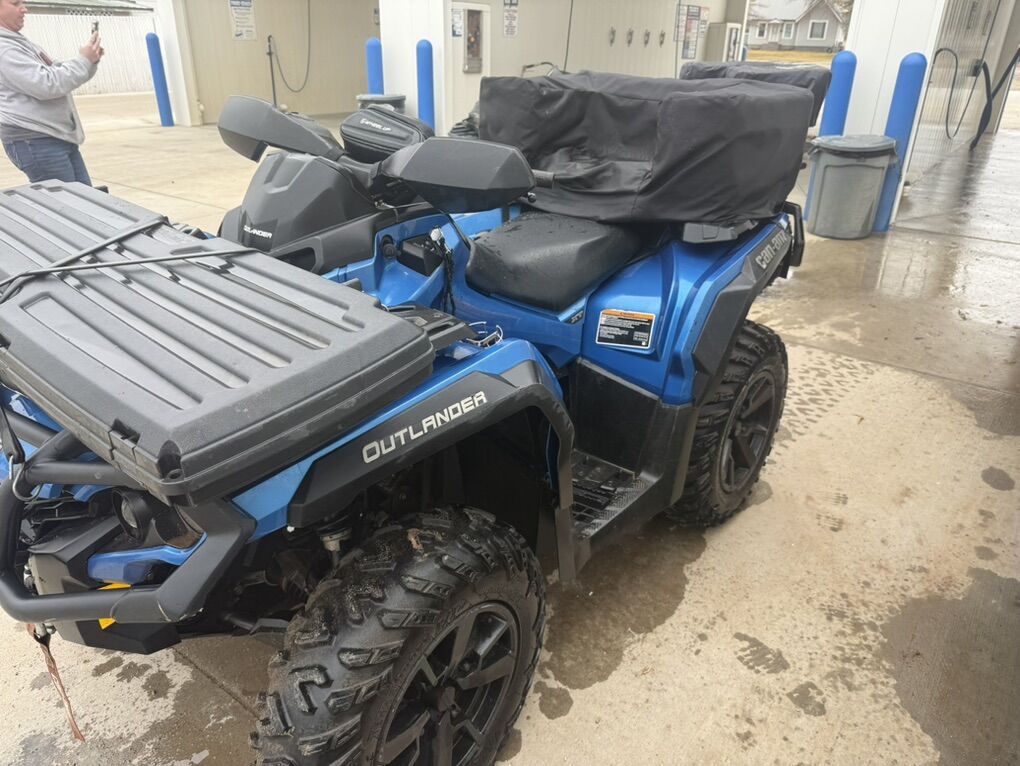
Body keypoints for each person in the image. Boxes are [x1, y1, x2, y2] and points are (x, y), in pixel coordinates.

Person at [0, 0, 104, 185]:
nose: (24, 8)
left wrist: (89, 61)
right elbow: (47, 84)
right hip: (35, 140)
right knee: (68, 201)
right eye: (15, 3)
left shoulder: (18, 42)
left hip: (53, 136)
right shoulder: (5, 49)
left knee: (84, 198)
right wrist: (83, 61)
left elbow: (57, 74)